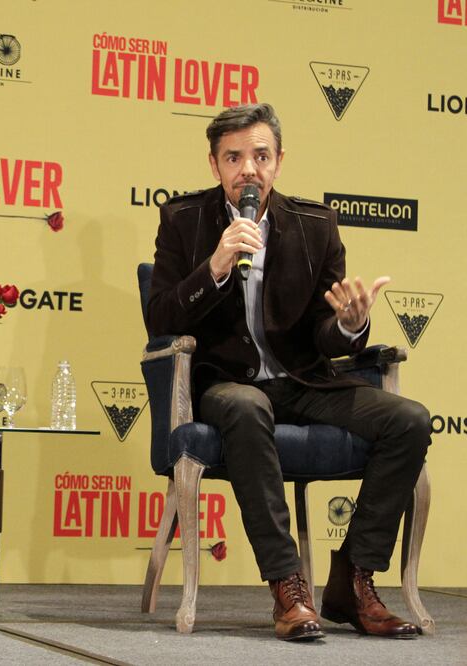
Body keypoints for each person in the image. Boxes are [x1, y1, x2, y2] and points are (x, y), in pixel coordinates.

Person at [146, 103, 429, 642]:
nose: (248, 169)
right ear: (214, 165)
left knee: (409, 420)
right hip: (226, 385)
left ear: (278, 162)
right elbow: (160, 319)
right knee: (248, 406)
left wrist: (349, 325)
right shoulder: (184, 222)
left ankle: (354, 578)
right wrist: (215, 267)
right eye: (234, 158)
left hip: (303, 381)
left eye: (260, 155)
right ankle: (287, 584)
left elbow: (324, 330)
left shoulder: (315, 225)